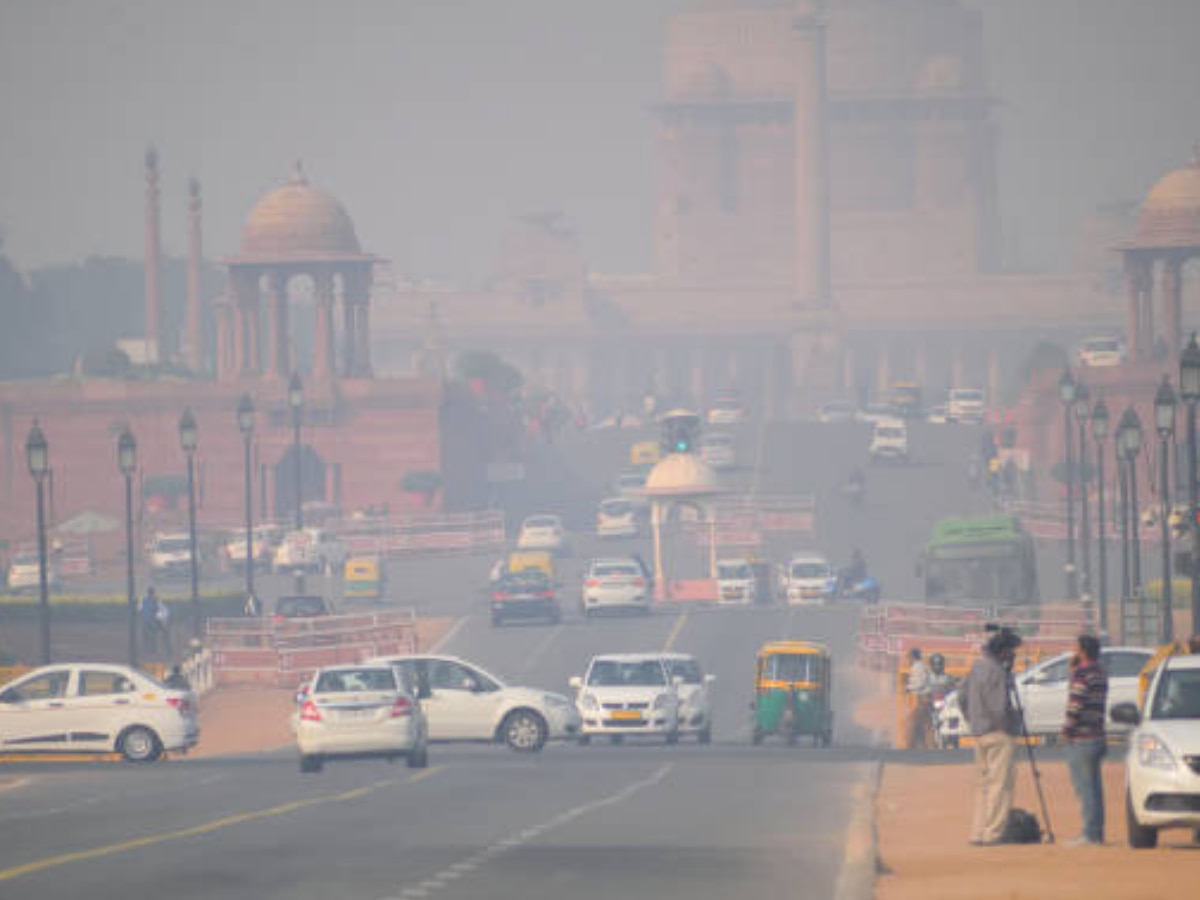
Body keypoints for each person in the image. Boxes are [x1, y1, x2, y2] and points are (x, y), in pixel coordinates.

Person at [960, 627, 1022, 845]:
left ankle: (977, 832)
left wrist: (973, 720)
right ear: (1003, 651)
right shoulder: (997, 672)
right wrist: (1007, 727)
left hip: (979, 733)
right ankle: (993, 833)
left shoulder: (976, 668)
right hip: (998, 734)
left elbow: (961, 697)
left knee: (983, 786)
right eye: (1011, 651)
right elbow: (999, 708)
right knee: (1000, 785)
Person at [1062, 634, 1108, 846]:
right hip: (1098, 735)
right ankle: (1096, 831)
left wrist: (1067, 730)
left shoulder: (1082, 673)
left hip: (1082, 737)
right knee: (1095, 788)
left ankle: (1090, 833)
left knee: (1085, 788)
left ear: (1082, 651)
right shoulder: (1100, 672)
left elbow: (1076, 705)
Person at [905, 648, 932, 749]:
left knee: (913, 723)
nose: (907, 661)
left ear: (912, 657)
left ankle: (913, 746)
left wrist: (908, 688)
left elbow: (920, 684)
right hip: (921, 699)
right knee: (920, 724)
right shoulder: (918, 667)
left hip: (923, 700)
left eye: (908, 658)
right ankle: (923, 745)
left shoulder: (918, 667)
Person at [139, 587, 160, 654]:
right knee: (152, 636)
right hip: (152, 621)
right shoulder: (154, 600)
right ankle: (153, 649)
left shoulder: (143, 599)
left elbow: (140, 609)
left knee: (146, 636)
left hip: (145, 620)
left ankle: (146, 649)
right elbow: (157, 609)